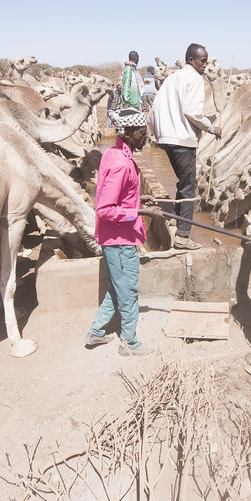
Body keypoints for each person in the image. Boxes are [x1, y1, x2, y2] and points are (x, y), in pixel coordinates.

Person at [84, 108, 163, 356]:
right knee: (128, 290)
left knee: (117, 287)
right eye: (142, 132)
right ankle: (129, 343)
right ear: (127, 133)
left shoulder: (114, 153)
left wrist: (139, 199)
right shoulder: (120, 164)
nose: (146, 137)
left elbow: (119, 196)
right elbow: (105, 209)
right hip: (119, 241)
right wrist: (141, 213)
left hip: (114, 238)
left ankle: (96, 332)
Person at [149, 43, 221, 250]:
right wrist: (212, 128)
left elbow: (154, 109)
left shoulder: (172, 78)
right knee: (189, 186)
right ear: (191, 60)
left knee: (183, 181)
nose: (205, 65)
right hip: (183, 140)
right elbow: (193, 112)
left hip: (166, 139)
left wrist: (157, 133)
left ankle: (176, 218)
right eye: (203, 61)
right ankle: (183, 236)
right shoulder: (195, 79)